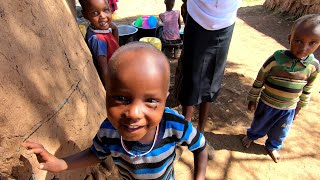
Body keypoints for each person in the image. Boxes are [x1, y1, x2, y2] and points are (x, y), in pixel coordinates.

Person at [22, 42, 208, 179]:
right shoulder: (109, 130)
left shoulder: (173, 125)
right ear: (106, 94)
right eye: (121, 98)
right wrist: (61, 164)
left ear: (164, 99)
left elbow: (200, 146)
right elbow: (95, 153)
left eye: (151, 100)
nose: (134, 113)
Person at [242, 14, 320, 163]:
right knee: (259, 123)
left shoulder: (313, 67)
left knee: (281, 131)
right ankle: (252, 136)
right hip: (267, 104)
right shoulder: (275, 60)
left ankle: (272, 146)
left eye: (312, 43)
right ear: (289, 38)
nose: (304, 47)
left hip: (289, 108)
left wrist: (300, 107)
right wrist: (253, 98)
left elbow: (308, 88)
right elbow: (260, 79)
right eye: (298, 41)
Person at [177, 0, 241, 158]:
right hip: (198, 13)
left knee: (214, 78)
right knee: (191, 76)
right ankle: (185, 133)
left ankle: (200, 134)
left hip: (226, 18)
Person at [80, 0, 120, 87]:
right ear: (85, 15)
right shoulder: (98, 40)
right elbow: (104, 70)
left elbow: (115, 47)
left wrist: (115, 29)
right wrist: (109, 91)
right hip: (113, 80)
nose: (102, 16)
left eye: (105, 10)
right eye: (95, 13)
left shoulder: (100, 29)